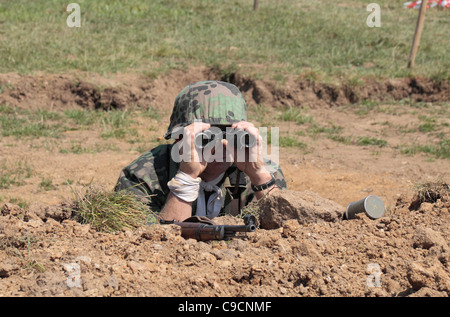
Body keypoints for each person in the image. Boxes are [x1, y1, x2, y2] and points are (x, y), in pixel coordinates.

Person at [114, 80, 286, 221]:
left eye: (231, 134)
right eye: (206, 137)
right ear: (179, 138)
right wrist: (186, 178)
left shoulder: (263, 174)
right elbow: (155, 244)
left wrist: (259, 176)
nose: (220, 144)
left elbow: (291, 231)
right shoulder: (141, 177)